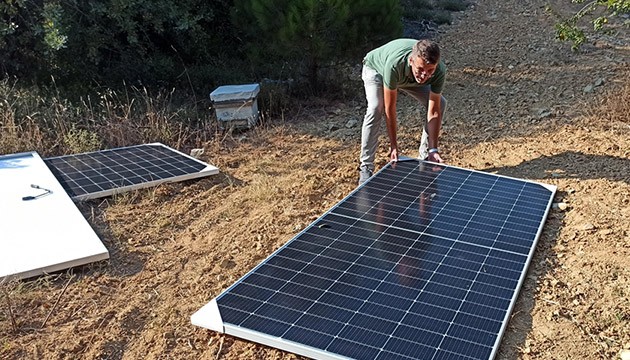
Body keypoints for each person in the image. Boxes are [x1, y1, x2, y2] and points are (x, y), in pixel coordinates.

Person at [358, 38, 447, 185]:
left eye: (430, 70)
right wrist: (393, 146)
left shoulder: (438, 71)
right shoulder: (394, 65)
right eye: (421, 69)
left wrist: (434, 149)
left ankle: (426, 157)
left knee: (441, 103)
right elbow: (390, 108)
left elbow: (434, 110)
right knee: (376, 107)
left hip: (407, 78)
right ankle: (366, 166)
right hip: (377, 70)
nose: (425, 75)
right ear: (411, 61)